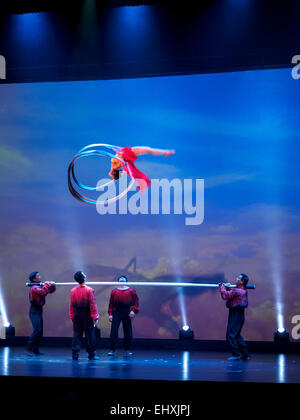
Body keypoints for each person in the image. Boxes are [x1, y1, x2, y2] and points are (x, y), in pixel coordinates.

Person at [109, 146, 175, 193]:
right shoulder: (116, 166)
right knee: (148, 150)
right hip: (127, 154)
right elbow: (121, 162)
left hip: (126, 154)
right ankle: (166, 152)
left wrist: (113, 175)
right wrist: (114, 175)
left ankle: (165, 152)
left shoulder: (114, 165)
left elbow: (118, 163)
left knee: (148, 150)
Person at [219, 274, 250, 361]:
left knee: (230, 335)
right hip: (238, 314)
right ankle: (245, 354)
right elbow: (231, 294)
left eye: (238, 278)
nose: (236, 279)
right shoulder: (241, 290)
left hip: (236, 314)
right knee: (236, 335)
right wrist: (227, 287)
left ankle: (236, 354)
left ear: (242, 281)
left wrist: (222, 287)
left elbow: (226, 295)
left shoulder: (239, 291)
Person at [69, 271, 99, 360]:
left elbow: (71, 305)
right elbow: (92, 304)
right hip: (87, 314)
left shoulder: (73, 290)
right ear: (84, 278)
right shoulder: (89, 290)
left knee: (77, 334)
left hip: (77, 315)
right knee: (89, 334)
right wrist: (95, 316)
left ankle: (75, 354)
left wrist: (72, 315)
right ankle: (91, 354)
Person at [25, 272, 56, 356]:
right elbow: (43, 292)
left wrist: (52, 285)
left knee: (40, 331)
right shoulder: (34, 287)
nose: (40, 276)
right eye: (38, 276)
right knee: (37, 330)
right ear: (34, 279)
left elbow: (50, 291)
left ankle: (35, 349)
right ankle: (28, 349)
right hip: (34, 311)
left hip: (39, 310)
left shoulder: (39, 286)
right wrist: (46, 284)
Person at [108, 275, 139, 356]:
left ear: (126, 281)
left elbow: (136, 302)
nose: (122, 282)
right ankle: (112, 349)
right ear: (118, 282)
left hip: (126, 312)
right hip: (117, 312)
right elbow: (111, 304)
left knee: (127, 331)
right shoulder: (114, 291)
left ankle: (128, 349)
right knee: (114, 331)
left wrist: (133, 311)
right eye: (120, 281)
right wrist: (110, 314)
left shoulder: (131, 290)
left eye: (123, 281)